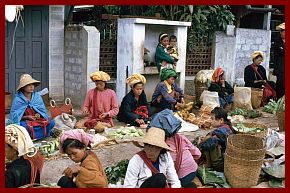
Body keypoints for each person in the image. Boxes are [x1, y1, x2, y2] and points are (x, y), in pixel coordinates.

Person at [10, 74, 55, 140]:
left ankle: (40, 135)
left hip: (36, 121)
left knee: (51, 122)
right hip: (25, 122)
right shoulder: (18, 99)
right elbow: (14, 117)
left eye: (32, 84)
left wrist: (38, 114)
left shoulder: (37, 97)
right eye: (29, 85)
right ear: (23, 87)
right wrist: (26, 117)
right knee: (22, 127)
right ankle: (30, 137)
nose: (32, 86)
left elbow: (42, 111)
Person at [198, 107, 233, 172]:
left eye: (212, 119)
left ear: (221, 120)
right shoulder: (227, 127)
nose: (210, 120)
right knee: (209, 138)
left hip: (221, 164)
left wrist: (201, 143)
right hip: (225, 159)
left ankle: (209, 164)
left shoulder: (223, 130)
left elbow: (210, 142)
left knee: (209, 142)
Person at [273, 22, 285, 99]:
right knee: (280, 83)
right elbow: (282, 51)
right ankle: (279, 99)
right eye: (281, 31)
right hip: (280, 67)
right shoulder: (277, 41)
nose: (281, 33)